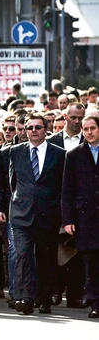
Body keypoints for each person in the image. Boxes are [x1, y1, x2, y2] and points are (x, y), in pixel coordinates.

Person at [0, 112, 66, 315]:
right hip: (20, 212)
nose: (33, 130)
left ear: (46, 130)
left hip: (47, 214)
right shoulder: (15, 152)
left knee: (45, 257)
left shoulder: (59, 153)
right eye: (30, 127)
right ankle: (25, 297)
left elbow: (63, 184)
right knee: (23, 254)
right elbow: (9, 181)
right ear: (25, 130)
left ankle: (44, 299)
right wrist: (7, 205)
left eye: (37, 127)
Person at [60, 112, 99, 319]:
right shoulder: (74, 155)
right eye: (86, 129)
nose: (89, 132)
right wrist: (68, 219)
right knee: (91, 263)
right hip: (85, 217)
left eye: (93, 128)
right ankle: (95, 303)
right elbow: (67, 189)